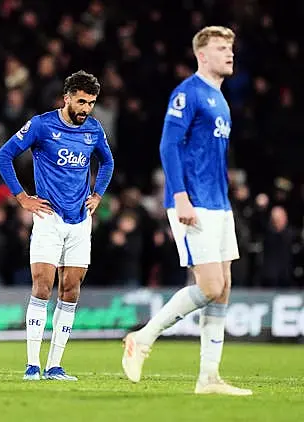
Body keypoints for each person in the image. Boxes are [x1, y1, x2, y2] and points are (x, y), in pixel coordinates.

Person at [121, 26, 252, 396]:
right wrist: (179, 196)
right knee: (209, 286)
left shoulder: (221, 99)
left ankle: (209, 378)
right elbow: (168, 145)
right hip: (192, 202)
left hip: (218, 203)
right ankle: (142, 338)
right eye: (221, 48)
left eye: (231, 47)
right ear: (202, 55)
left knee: (223, 288)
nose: (229, 53)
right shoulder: (188, 93)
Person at [0, 70, 114, 381]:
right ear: (67, 98)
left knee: (71, 291)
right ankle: (32, 365)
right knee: (42, 286)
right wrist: (22, 198)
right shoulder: (41, 125)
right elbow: (3, 157)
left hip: (79, 221)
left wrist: (98, 194)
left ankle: (55, 366)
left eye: (91, 103)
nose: (86, 109)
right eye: (82, 101)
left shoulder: (94, 130)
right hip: (48, 217)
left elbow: (108, 162)